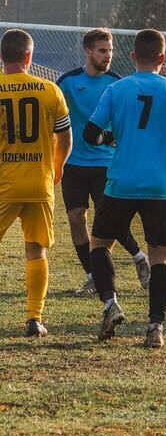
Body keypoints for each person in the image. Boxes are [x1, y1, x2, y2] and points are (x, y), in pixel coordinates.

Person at [84, 29, 166, 349]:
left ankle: (110, 303)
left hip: (121, 182)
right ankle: (155, 327)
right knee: (160, 257)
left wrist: (110, 139)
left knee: (100, 245)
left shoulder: (115, 89)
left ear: (132, 57)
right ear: (163, 59)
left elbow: (90, 134)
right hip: (161, 185)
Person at [57, 28, 150, 295]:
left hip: (106, 163)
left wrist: (113, 138)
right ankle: (94, 277)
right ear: (88, 51)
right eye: (102, 50)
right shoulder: (68, 82)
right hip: (73, 163)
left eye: (110, 51)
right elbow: (54, 116)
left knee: (107, 221)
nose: (107, 56)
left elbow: (128, 121)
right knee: (76, 218)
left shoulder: (118, 83)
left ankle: (139, 258)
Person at [0, 28, 72, 336]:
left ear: (2, 57)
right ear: (29, 56)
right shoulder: (49, 90)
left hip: (4, 184)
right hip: (39, 184)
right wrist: (57, 168)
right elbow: (65, 138)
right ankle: (33, 319)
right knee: (36, 250)